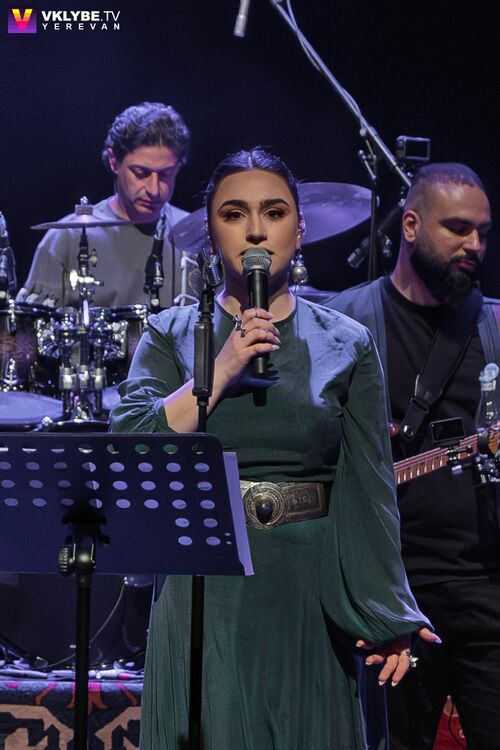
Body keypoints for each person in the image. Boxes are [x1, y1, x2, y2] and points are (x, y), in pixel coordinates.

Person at [110, 147, 439, 749]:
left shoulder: (347, 342)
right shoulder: (170, 334)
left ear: (300, 228)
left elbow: (369, 489)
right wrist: (220, 368)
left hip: (307, 583)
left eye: (275, 212)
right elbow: (131, 447)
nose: (256, 230)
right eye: (234, 214)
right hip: (204, 582)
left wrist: (387, 608)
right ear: (210, 234)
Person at [327, 163, 500, 750]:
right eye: (457, 228)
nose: (474, 245)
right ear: (409, 225)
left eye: (482, 233)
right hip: (388, 592)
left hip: (485, 586)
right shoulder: (343, 322)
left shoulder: (492, 326)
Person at [19, 101, 199, 309]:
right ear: (114, 161)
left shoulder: (196, 237)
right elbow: (30, 326)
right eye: (140, 173)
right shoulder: (66, 238)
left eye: (166, 174)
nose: (154, 189)